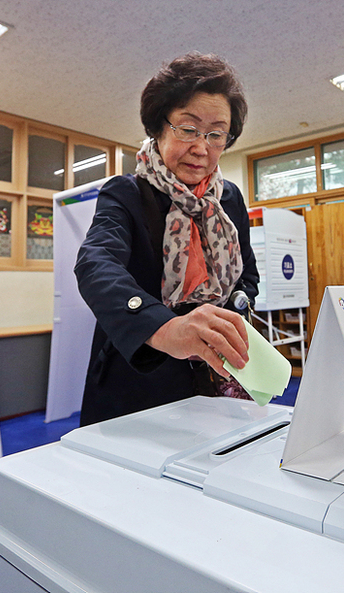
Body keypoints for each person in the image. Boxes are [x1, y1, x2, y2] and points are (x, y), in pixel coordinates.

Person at [74, 53, 259, 426]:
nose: (202, 147)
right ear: (159, 128)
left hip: (212, 377)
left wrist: (232, 315)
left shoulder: (230, 200)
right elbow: (96, 264)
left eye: (216, 134)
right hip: (138, 378)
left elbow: (247, 277)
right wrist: (164, 326)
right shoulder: (126, 193)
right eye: (188, 129)